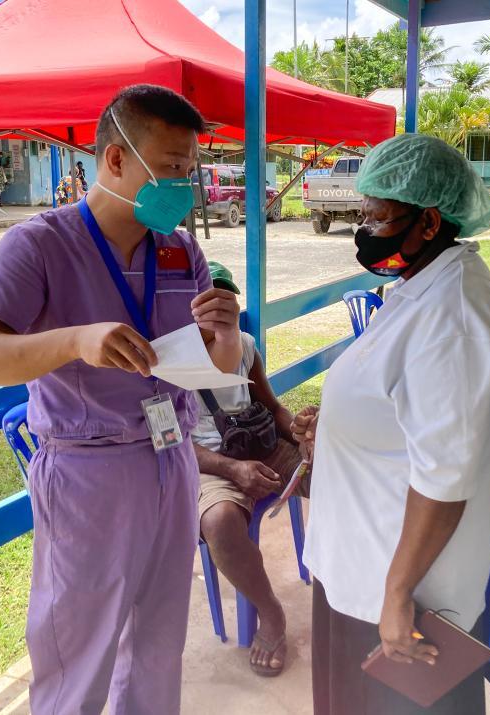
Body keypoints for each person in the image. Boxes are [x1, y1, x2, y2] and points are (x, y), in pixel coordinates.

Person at [0, 84, 241, 715]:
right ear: (115, 159)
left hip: (172, 458)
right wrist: (76, 341)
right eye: (170, 167)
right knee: (77, 652)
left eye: (189, 169)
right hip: (89, 472)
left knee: (160, 641)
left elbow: (215, 368)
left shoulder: (179, 249)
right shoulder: (40, 245)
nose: (183, 185)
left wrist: (224, 334)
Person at [294, 133, 490, 715]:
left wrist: (396, 596)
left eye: (378, 217)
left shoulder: (454, 318)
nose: (365, 229)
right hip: (363, 568)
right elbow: (406, 408)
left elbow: (444, 480)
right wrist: (339, 428)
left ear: (429, 221)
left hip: (400, 592)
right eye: (364, 214)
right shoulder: (423, 284)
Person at [191, 261, 306, 677]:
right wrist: (233, 470)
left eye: (226, 299)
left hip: (259, 443)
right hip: (206, 461)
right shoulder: (166, 359)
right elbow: (170, 442)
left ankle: (364, 582)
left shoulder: (243, 343)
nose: (218, 310)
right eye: (209, 300)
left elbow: (271, 406)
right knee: (219, 522)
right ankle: (270, 613)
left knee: (335, 472)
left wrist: (300, 432)